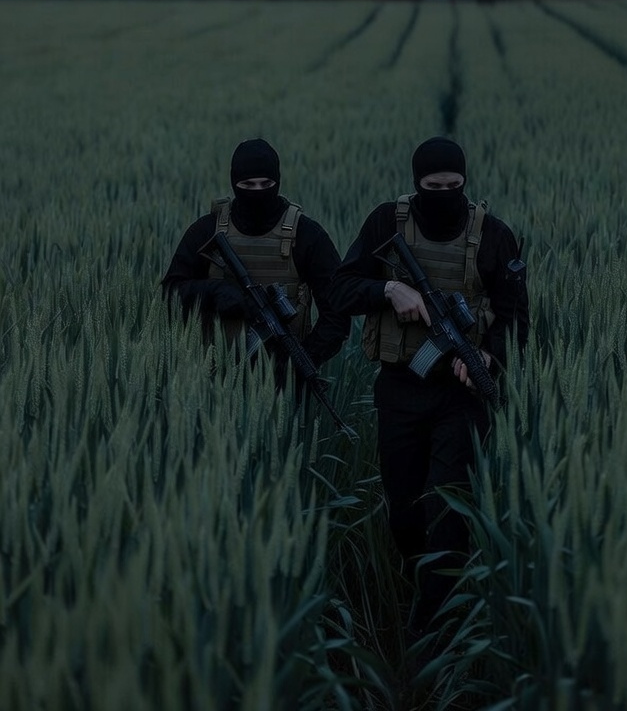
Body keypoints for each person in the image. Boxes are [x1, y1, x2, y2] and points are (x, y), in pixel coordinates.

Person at [330, 136, 529, 635]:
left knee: (446, 511)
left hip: (461, 398)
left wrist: (489, 357)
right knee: (404, 512)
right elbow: (340, 290)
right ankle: (419, 584)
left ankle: (434, 627)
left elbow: (515, 316)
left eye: (453, 186)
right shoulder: (386, 223)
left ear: (465, 182)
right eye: (432, 187)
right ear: (416, 183)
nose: (444, 195)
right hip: (401, 388)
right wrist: (388, 288)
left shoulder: (494, 236)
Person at [162, 138, 349, 378]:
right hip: (213, 375)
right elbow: (170, 293)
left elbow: (338, 311)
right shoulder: (207, 230)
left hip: (285, 376)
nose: (258, 192)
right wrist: (214, 292)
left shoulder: (305, 235)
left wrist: (301, 362)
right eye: (248, 184)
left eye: (266, 183)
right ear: (234, 183)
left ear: (277, 181)